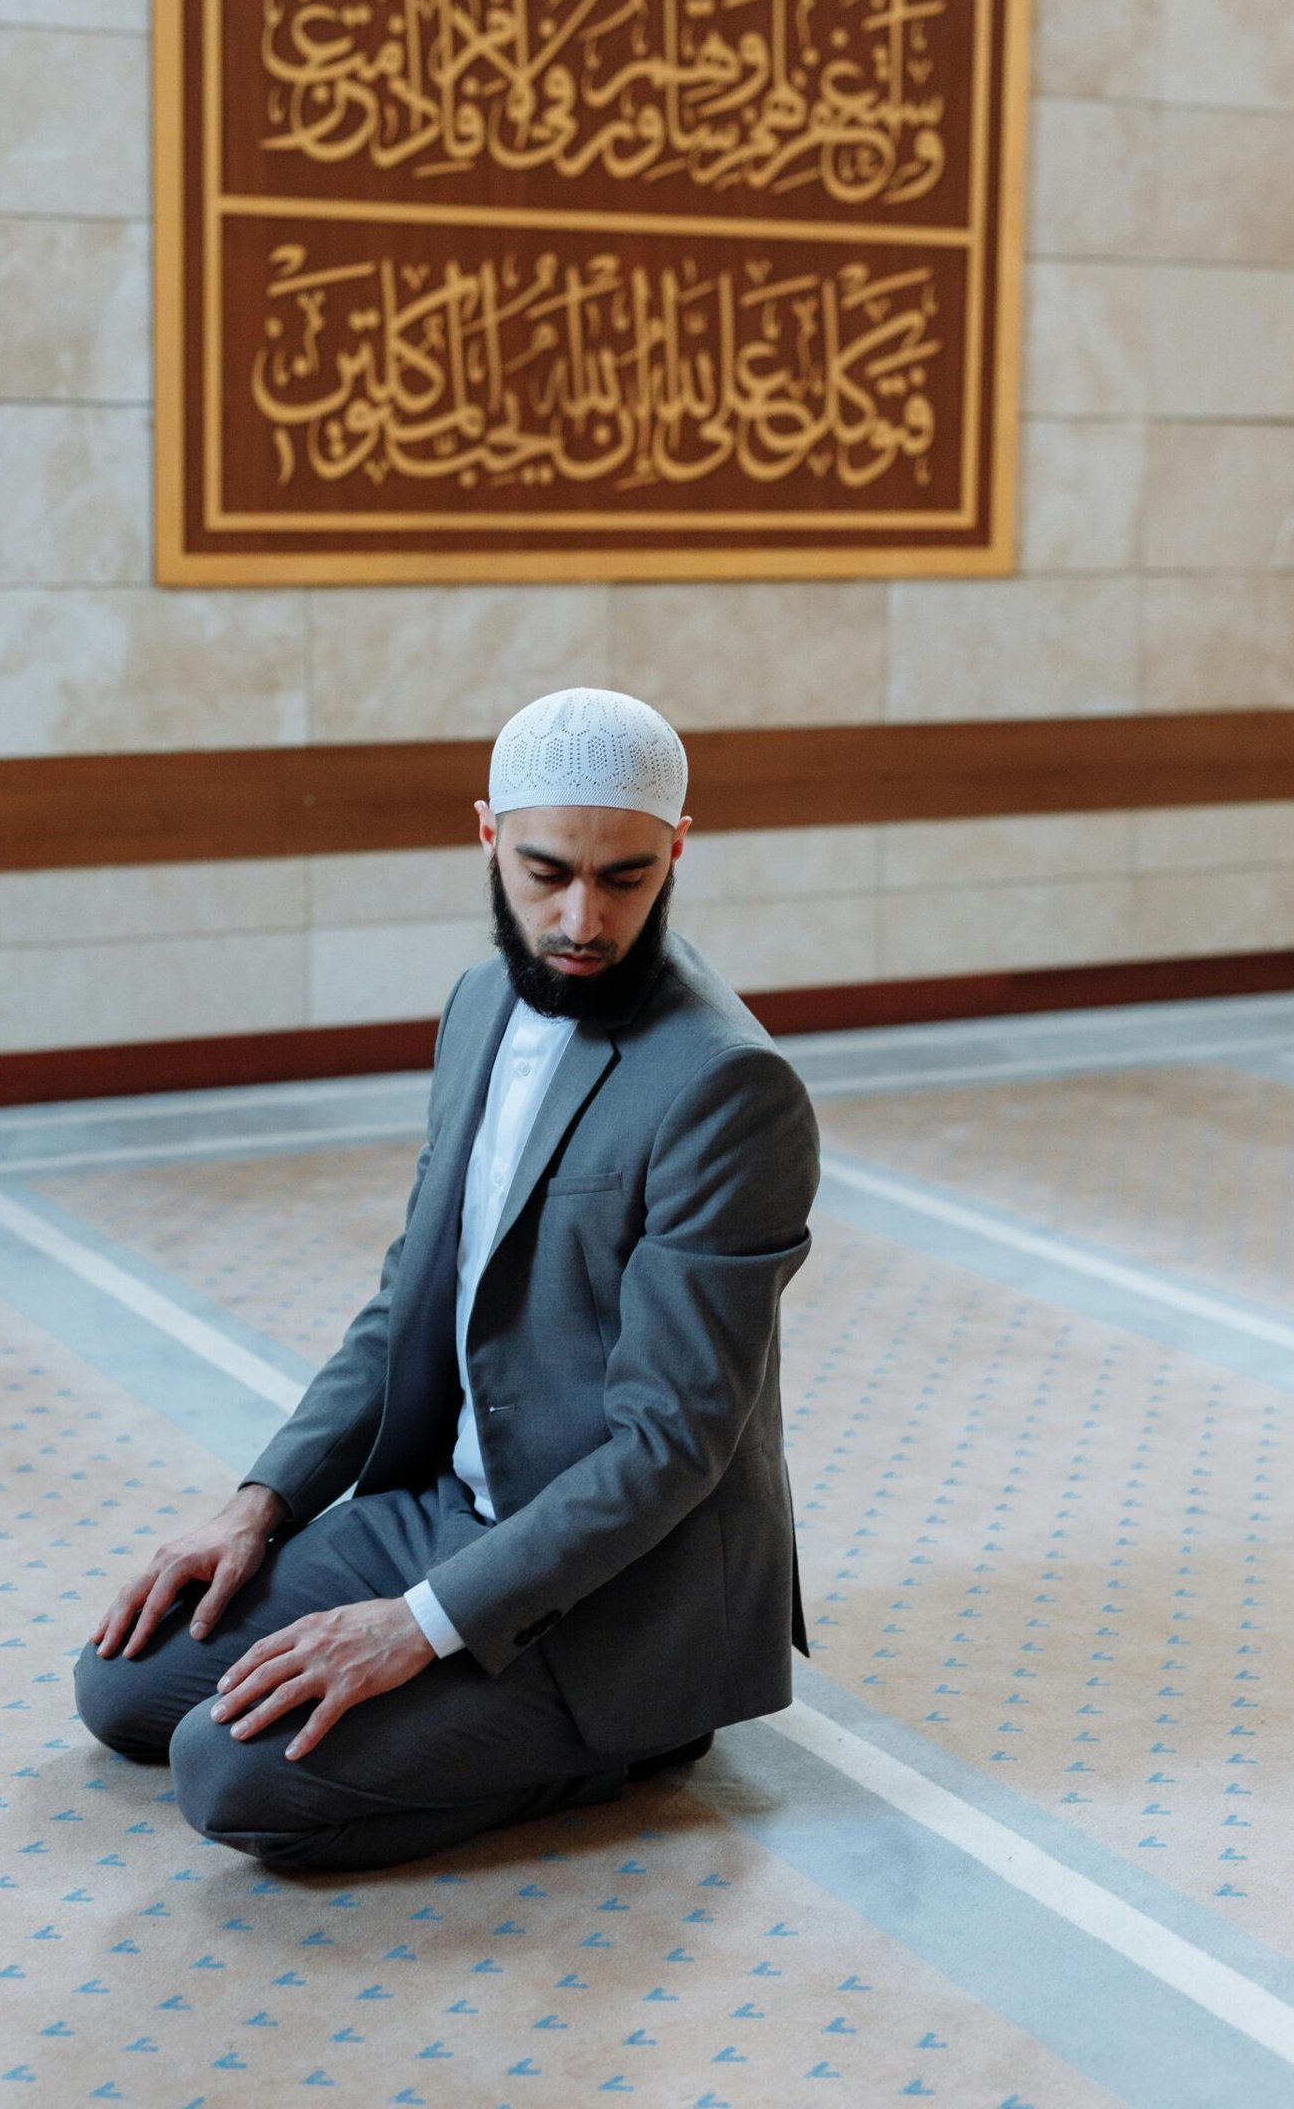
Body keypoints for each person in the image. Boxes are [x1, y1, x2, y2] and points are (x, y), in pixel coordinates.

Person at [74, 687, 820, 1871]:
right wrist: (256, 1507)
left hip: (614, 1592)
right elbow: (408, 1302)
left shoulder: (727, 1087)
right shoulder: (479, 1004)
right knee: (125, 1687)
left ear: (676, 851)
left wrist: (414, 1630)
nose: (582, 916)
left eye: (625, 878)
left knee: (237, 1782)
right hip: (451, 1510)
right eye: (545, 873)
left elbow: (672, 1444)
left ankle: (633, 1736)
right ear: (486, 837)